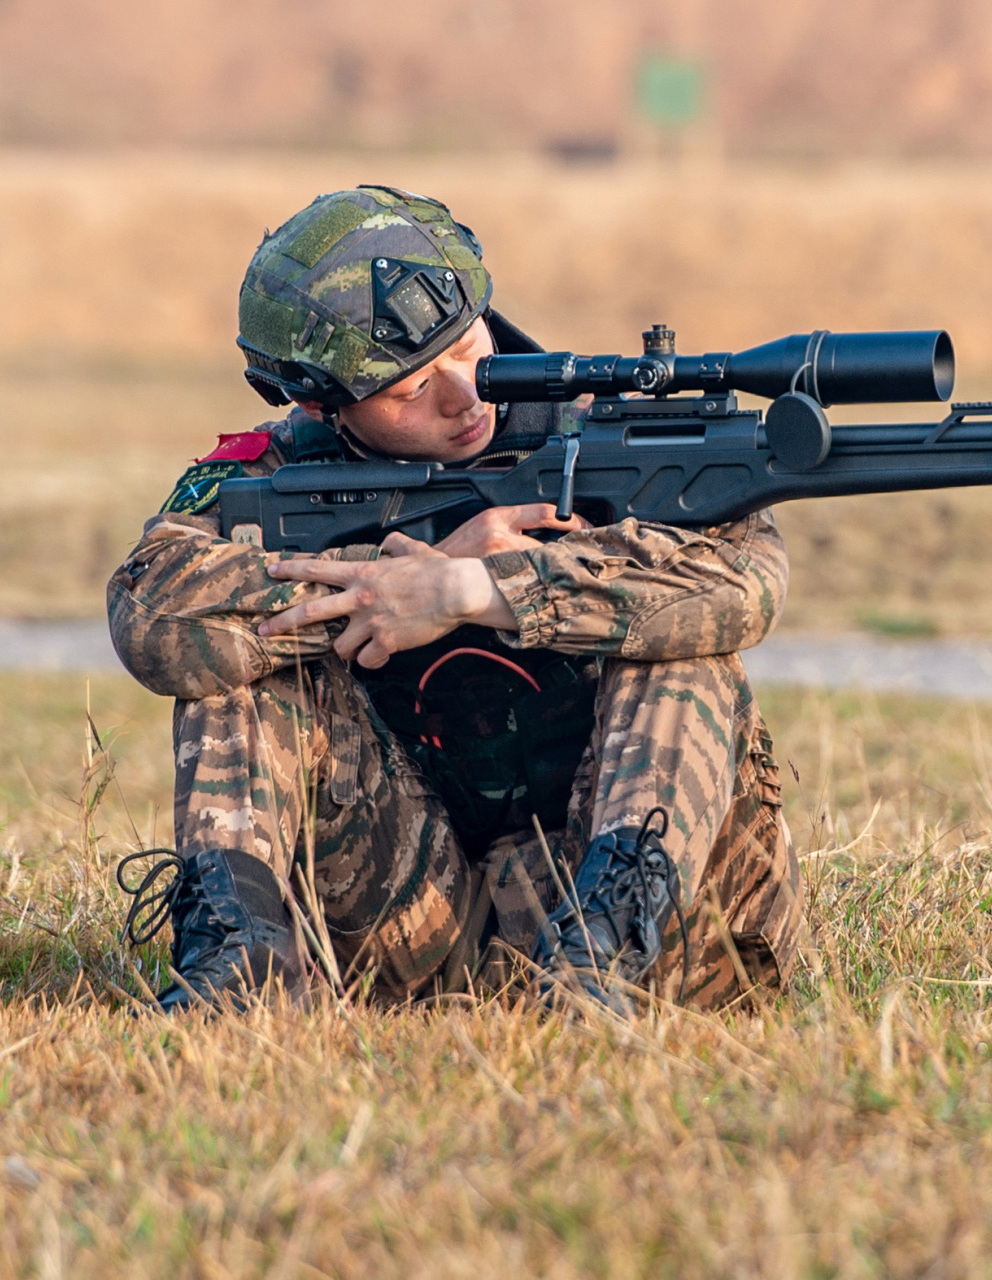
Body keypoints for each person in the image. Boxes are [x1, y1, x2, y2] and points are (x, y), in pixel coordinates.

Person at [108, 184, 805, 1014]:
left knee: (677, 638)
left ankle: (600, 957)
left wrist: (475, 588)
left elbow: (743, 583)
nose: (465, 397)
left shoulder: (618, 436)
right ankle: (238, 974)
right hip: (398, 932)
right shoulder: (276, 469)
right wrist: (391, 576)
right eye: (410, 390)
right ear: (319, 403)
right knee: (232, 664)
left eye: (470, 350)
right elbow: (153, 611)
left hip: (685, 944)